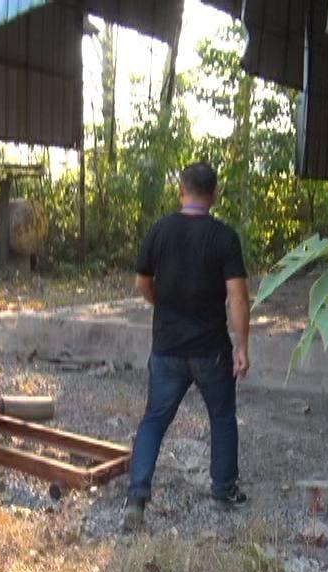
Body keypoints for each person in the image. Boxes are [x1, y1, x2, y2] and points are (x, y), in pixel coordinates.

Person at [123, 161, 250, 531]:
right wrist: (242, 346)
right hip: (211, 350)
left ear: (181, 190)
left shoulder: (159, 230)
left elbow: (142, 283)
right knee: (222, 417)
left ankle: (137, 496)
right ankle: (224, 489)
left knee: (154, 419)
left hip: (167, 348)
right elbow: (238, 298)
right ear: (215, 194)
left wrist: (161, 303)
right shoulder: (224, 237)